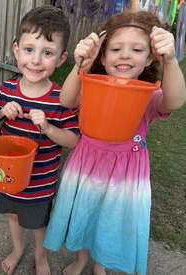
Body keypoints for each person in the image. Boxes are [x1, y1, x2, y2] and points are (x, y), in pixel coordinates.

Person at [43, 11, 186, 275]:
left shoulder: (149, 95)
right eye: (116, 48)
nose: (124, 55)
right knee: (86, 213)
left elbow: (174, 101)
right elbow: (66, 100)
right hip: (88, 165)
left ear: (149, 58)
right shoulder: (92, 85)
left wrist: (171, 61)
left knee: (109, 221)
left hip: (125, 173)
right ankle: (81, 260)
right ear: (103, 56)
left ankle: (101, 265)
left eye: (136, 49)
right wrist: (81, 65)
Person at [0, 6, 79, 275]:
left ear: (61, 58)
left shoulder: (62, 100)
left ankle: (41, 257)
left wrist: (48, 127)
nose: (36, 60)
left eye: (47, 53)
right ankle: (17, 250)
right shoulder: (6, 90)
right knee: (13, 216)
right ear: (16, 50)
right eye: (29, 50)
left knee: (39, 224)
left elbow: (73, 140)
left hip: (40, 183)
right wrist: (2, 112)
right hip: (7, 178)